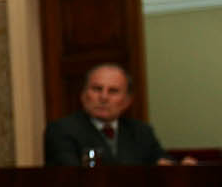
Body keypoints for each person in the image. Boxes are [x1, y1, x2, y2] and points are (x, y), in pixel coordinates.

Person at [43, 63, 192, 166]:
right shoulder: (62, 130)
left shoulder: (141, 131)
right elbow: (70, 175)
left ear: (127, 101)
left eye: (113, 91)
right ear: (83, 95)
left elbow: (160, 160)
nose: (103, 97)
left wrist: (178, 167)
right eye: (96, 89)